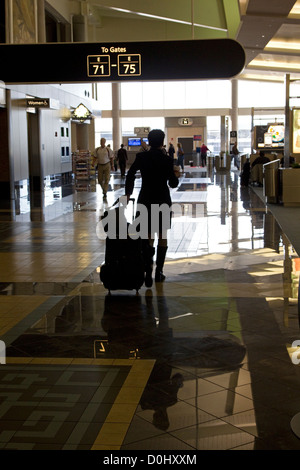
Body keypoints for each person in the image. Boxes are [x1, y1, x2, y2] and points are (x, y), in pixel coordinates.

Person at [125, 129, 179, 287]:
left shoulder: (142, 157)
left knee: (147, 236)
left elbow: (130, 174)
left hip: (145, 199)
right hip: (162, 199)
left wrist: (128, 194)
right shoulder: (167, 160)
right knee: (162, 235)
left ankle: (147, 271)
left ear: (148, 141)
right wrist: (176, 174)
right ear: (162, 142)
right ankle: (159, 272)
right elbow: (172, 183)